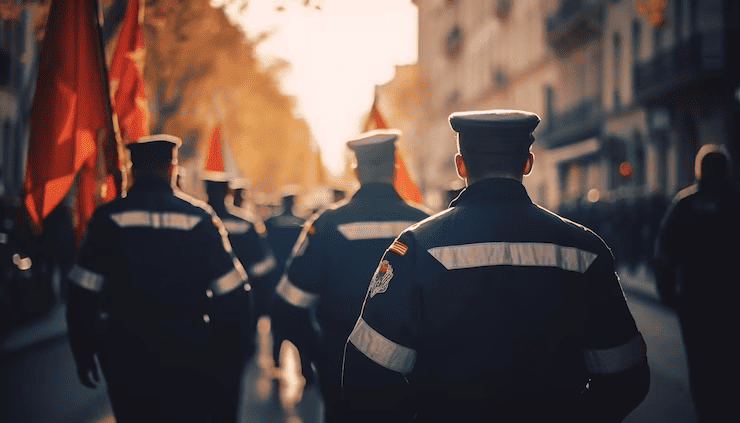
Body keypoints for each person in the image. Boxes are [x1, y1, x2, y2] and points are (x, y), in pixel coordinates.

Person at [342, 110, 651, 423]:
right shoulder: (585, 249)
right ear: (527, 163)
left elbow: (365, 374)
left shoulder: (417, 248)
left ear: (461, 165)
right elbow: (627, 376)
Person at [65, 134, 251, 422]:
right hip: (187, 348)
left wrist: (84, 350)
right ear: (172, 168)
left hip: (124, 350)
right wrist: (225, 352)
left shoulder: (107, 218)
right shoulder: (200, 218)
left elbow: (81, 291)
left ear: (133, 170)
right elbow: (234, 293)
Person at [271, 129, 431, 422]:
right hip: (410, 374)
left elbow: (288, 305)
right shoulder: (426, 223)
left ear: (355, 168)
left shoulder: (328, 224)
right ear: (395, 165)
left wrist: (319, 354)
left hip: (341, 369)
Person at [654, 143, 740, 422]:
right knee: (728, 358)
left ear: (699, 170)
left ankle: (708, 411)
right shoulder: (734, 203)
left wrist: (667, 292)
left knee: (700, 361)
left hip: (694, 300)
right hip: (729, 299)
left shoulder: (685, 203)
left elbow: (664, 251)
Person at [203, 172, 281, 422]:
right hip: (240, 304)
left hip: (201, 310)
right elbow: (266, 262)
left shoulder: (197, 219)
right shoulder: (247, 222)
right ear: (227, 192)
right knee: (232, 369)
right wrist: (247, 277)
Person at [264, 188, 313, 383]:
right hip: (296, 281)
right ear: (294, 203)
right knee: (300, 325)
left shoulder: (270, 222)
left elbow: (265, 249)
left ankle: (276, 360)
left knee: (277, 325)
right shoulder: (303, 223)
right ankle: (306, 369)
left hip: (275, 280)